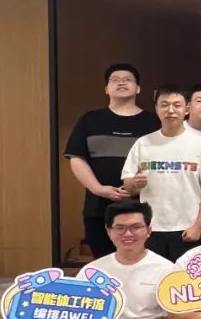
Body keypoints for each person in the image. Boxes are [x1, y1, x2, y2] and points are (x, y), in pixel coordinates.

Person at [64, 63, 159, 258]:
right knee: (104, 262)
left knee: (143, 262)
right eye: (115, 80)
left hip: (144, 206)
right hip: (99, 207)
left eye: (127, 79)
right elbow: (76, 158)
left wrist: (137, 186)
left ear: (138, 88)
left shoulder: (154, 122)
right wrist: (98, 189)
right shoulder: (90, 119)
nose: (121, 82)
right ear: (106, 89)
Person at [121, 84, 201, 261]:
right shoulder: (143, 143)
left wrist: (199, 224)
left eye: (177, 105)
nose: (170, 110)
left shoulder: (200, 144)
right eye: (164, 105)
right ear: (156, 108)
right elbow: (128, 186)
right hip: (150, 227)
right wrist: (135, 183)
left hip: (187, 227)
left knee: (188, 277)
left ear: (187, 109)